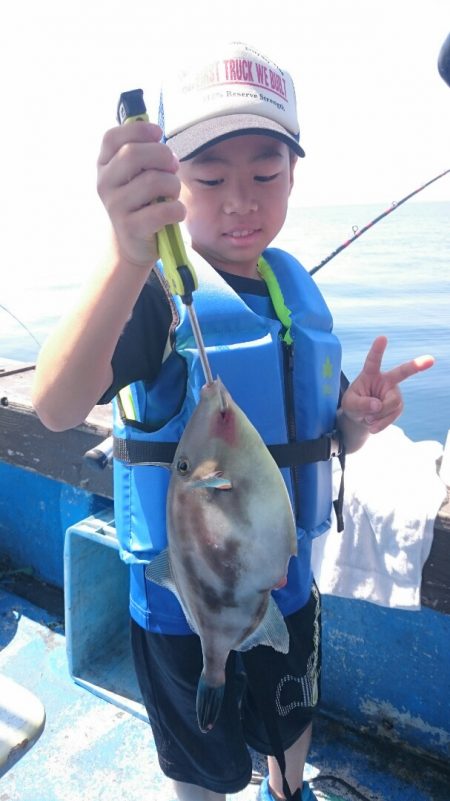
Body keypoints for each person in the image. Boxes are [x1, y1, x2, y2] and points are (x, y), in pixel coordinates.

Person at [32, 42, 434, 801]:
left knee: (292, 726)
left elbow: (321, 438)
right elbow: (54, 403)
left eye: (265, 174)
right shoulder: (153, 297)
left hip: (286, 593)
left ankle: (287, 787)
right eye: (210, 178)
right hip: (187, 608)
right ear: (171, 182)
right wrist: (124, 257)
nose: (240, 200)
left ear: (294, 176)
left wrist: (358, 418)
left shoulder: (292, 296)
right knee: (199, 766)